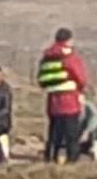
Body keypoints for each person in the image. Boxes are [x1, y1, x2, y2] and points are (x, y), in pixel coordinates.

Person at [38, 27, 88, 163]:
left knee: (54, 134)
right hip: (70, 102)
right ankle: (72, 162)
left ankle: (50, 159)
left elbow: (41, 79)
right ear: (68, 40)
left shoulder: (47, 57)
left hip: (53, 102)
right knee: (71, 135)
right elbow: (81, 78)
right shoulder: (69, 57)